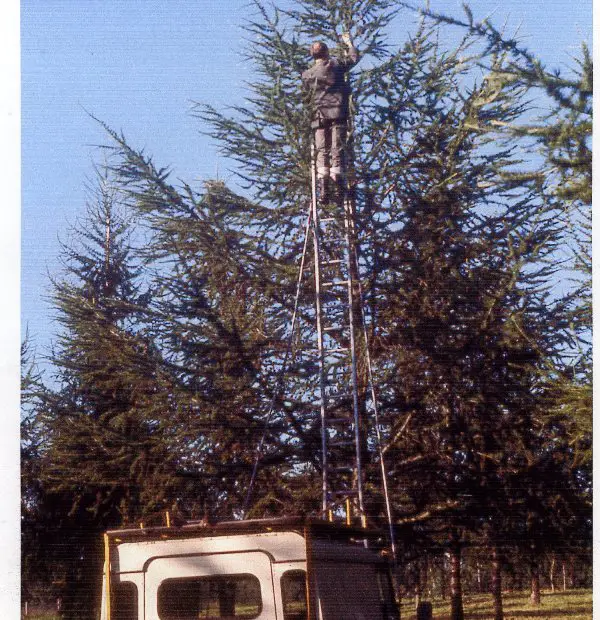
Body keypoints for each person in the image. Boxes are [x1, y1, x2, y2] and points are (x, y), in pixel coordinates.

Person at [302, 33, 359, 203]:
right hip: (338, 114)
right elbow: (354, 58)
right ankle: (340, 191)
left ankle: (323, 191)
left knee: (321, 152)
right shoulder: (335, 65)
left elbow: (306, 98)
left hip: (319, 117)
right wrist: (348, 42)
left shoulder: (307, 75)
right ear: (326, 53)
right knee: (337, 150)